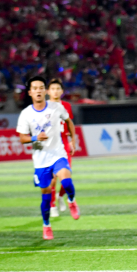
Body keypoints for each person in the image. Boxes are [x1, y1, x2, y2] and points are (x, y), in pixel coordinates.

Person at [16, 76, 80, 240]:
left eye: (41, 88)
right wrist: (35, 138)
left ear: (45, 91)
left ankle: (71, 200)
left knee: (66, 181)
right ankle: (46, 225)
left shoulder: (57, 107)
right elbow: (22, 138)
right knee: (45, 196)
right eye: (35, 88)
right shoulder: (26, 114)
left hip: (58, 154)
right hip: (40, 160)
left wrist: (72, 141)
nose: (38, 91)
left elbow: (69, 122)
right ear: (30, 92)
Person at [47, 79, 76, 217]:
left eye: (58, 89)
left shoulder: (66, 106)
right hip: (50, 145)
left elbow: (69, 124)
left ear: (62, 91)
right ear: (48, 91)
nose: (55, 91)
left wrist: (72, 141)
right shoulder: (43, 107)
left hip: (64, 144)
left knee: (66, 178)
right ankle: (52, 205)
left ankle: (60, 196)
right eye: (53, 89)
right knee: (52, 179)